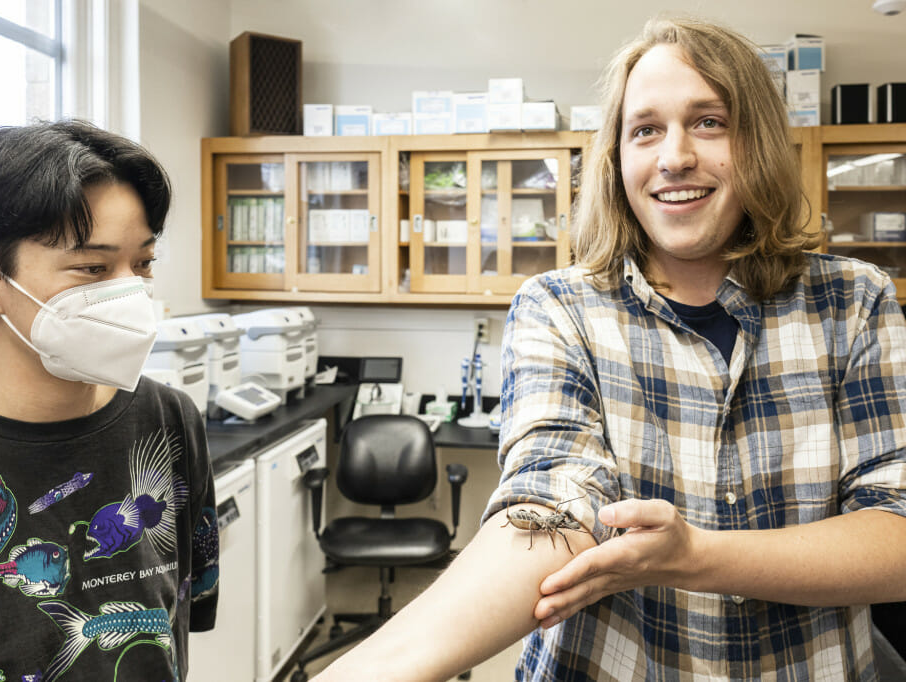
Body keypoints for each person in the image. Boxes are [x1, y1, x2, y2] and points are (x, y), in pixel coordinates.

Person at [314, 17, 906, 681]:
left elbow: (898, 531)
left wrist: (698, 555)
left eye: (708, 121)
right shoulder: (561, 307)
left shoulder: (854, 302)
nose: (674, 156)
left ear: (759, 141)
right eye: (645, 129)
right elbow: (550, 500)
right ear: (617, 158)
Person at [0, 120, 219, 682]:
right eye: (93, 268)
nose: (129, 293)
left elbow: (179, 618)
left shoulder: (170, 419)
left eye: (143, 264)